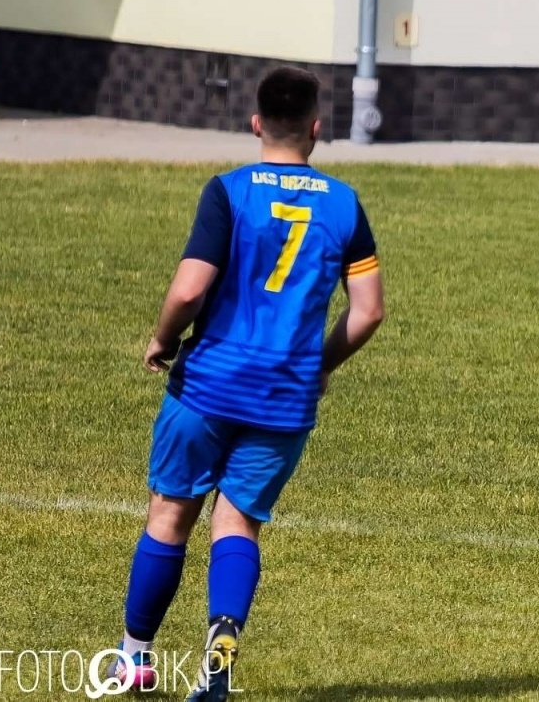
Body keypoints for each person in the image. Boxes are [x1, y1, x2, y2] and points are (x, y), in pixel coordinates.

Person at [106, 67, 385, 698]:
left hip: (207, 384)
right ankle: (216, 660)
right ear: (318, 129)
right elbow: (367, 311)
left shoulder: (228, 192)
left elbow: (189, 288)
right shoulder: (343, 204)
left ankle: (135, 659)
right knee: (237, 524)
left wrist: (163, 339)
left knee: (170, 513)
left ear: (255, 123)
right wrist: (316, 368)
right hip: (284, 399)